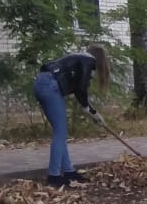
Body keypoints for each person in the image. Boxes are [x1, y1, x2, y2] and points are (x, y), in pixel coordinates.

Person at [34, 45, 110, 188]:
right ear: (100, 58)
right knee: (61, 133)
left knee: (60, 132)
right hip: (50, 86)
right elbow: (81, 88)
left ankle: (69, 172)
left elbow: (78, 90)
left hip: (41, 83)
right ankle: (54, 176)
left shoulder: (78, 59)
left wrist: (93, 112)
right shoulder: (88, 61)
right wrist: (90, 111)